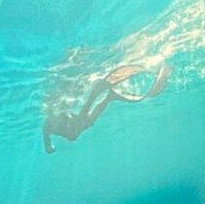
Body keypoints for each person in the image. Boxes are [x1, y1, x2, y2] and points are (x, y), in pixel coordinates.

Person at [40, 56, 172, 151]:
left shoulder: (54, 121)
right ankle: (109, 96)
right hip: (75, 123)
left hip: (73, 120)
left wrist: (50, 147)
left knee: (79, 124)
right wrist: (49, 148)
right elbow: (47, 141)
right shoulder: (51, 127)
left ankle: (98, 91)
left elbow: (66, 117)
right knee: (82, 125)